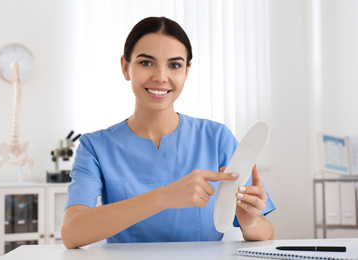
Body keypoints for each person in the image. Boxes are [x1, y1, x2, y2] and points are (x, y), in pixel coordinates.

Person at [61, 16, 275, 249]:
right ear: (125, 67)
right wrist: (164, 197)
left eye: (174, 65)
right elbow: (72, 233)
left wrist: (250, 222)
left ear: (186, 71)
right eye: (146, 63)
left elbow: (266, 232)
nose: (161, 77)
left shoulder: (217, 138)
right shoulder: (95, 147)